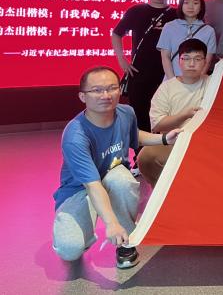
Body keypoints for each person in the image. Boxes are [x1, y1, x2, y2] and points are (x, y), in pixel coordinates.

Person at [52, 66, 181, 269]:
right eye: (97, 90)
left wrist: (164, 139)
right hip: (81, 188)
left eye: (112, 88)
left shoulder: (126, 112)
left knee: (122, 180)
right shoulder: (75, 136)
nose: (106, 95)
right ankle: (93, 214)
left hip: (113, 174)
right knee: (70, 249)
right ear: (83, 96)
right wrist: (111, 223)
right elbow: (93, 185)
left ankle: (125, 241)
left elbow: (133, 135)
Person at [112, 0, 177, 132]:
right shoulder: (136, 11)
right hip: (139, 73)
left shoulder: (176, 14)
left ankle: (164, 147)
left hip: (168, 74)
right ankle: (141, 148)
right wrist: (121, 59)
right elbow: (117, 33)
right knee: (140, 117)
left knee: (166, 116)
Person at [138, 39, 208, 186]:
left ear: (205, 61)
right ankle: (162, 193)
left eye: (197, 59)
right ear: (179, 61)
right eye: (186, 58)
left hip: (205, 142)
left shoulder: (213, 84)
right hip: (173, 141)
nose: (192, 64)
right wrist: (184, 115)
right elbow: (157, 125)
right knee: (146, 155)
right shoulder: (167, 88)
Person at [157, 0, 216, 79]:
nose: (190, 7)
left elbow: (207, 61)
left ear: (201, 6)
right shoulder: (169, 27)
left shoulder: (209, 31)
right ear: (181, 5)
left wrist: (196, 81)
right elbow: (165, 57)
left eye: (195, 3)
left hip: (197, 82)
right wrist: (173, 81)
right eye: (186, 2)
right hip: (171, 80)